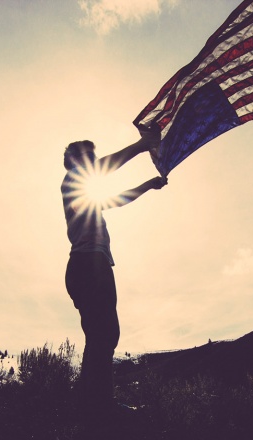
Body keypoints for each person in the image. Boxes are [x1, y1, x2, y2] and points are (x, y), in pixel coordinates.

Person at [61, 135, 166, 416]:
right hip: (89, 265)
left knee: (100, 335)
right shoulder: (72, 182)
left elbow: (118, 200)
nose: (94, 163)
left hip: (88, 265)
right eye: (89, 158)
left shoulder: (85, 198)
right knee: (103, 335)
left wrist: (148, 185)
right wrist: (141, 146)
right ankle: (99, 407)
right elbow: (106, 167)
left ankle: (93, 404)